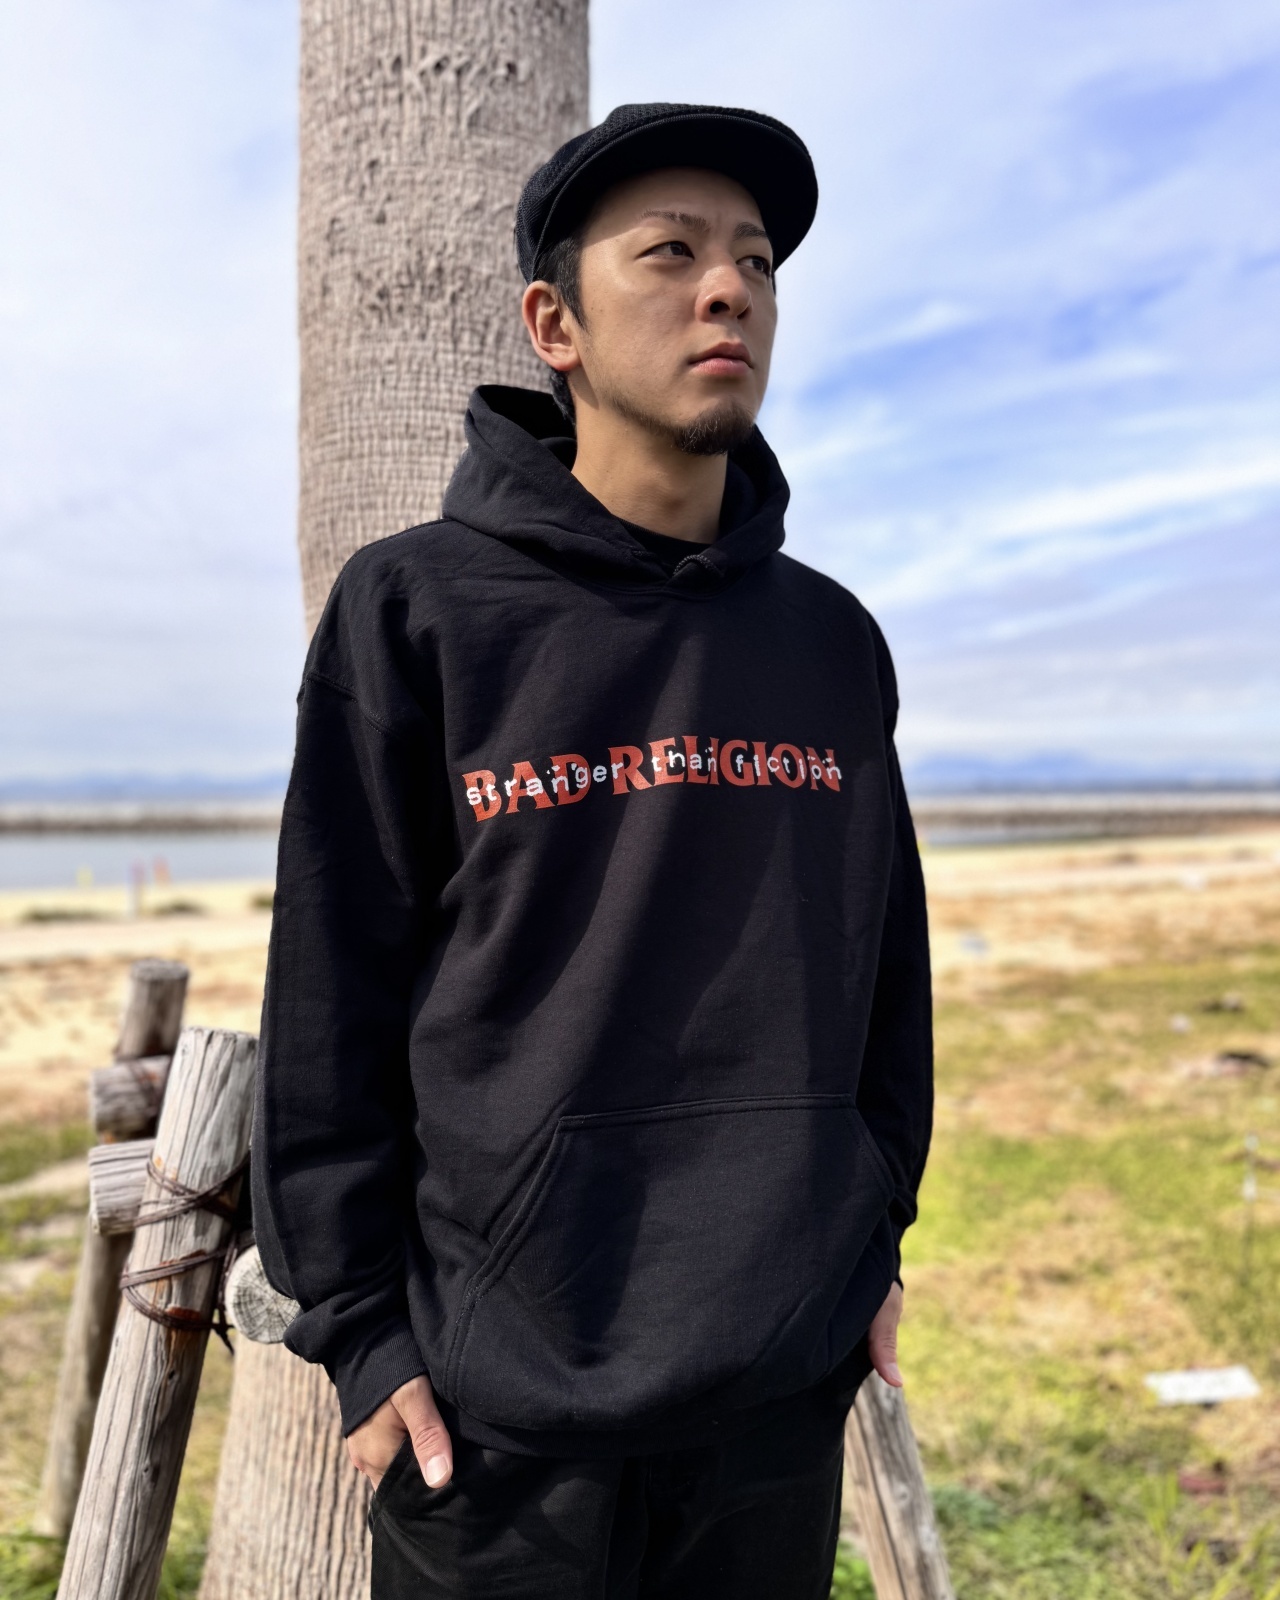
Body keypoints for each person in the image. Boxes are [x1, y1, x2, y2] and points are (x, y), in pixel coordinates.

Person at [253, 102, 933, 1599]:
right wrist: (363, 1331)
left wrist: (868, 1238)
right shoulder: (418, 611)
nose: (728, 289)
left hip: (772, 1392)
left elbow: (887, 974)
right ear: (553, 324)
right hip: (496, 1421)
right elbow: (329, 999)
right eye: (671, 254)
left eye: (755, 261)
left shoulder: (829, 642)